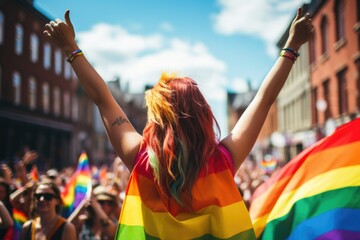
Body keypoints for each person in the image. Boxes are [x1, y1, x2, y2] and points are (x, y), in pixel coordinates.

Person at [44, 7, 313, 239]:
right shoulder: (221, 162)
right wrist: (291, 47)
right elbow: (263, 101)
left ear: (157, 119)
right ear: (203, 116)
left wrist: (72, 49)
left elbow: (103, 100)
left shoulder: (141, 161)